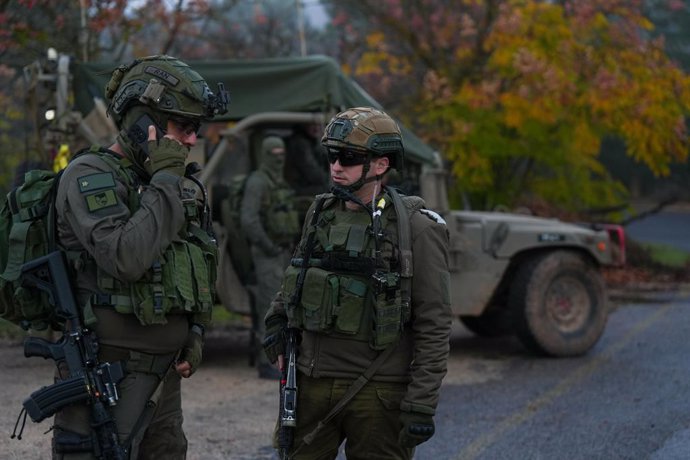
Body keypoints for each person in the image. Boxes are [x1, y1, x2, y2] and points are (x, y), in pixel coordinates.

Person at [52, 55, 228, 459]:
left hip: (164, 374)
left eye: (194, 130)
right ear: (140, 123)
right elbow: (126, 258)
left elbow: (202, 261)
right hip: (106, 371)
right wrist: (165, 181)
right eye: (182, 127)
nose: (190, 141)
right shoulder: (90, 175)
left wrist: (196, 333)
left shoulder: (176, 186)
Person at [263, 107, 452, 459]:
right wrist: (277, 321)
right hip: (310, 383)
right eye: (332, 155)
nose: (336, 165)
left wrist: (421, 402)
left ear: (381, 165)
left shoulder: (418, 228)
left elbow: (435, 323)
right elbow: (299, 273)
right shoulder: (320, 212)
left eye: (348, 157)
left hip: (377, 391)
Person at [240, 135, 301, 379]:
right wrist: (267, 246)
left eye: (282, 154)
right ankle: (267, 363)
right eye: (274, 154)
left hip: (282, 251)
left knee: (282, 306)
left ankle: (280, 358)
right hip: (267, 254)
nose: (279, 158)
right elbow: (249, 219)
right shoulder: (258, 182)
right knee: (268, 306)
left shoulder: (278, 181)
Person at [284, 123, 330, 197]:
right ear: (303, 125)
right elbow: (314, 174)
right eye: (312, 124)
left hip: (305, 184)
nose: (316, 128)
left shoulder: (313, 140)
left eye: (319, 125)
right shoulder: (300, 143)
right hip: (299, 187)